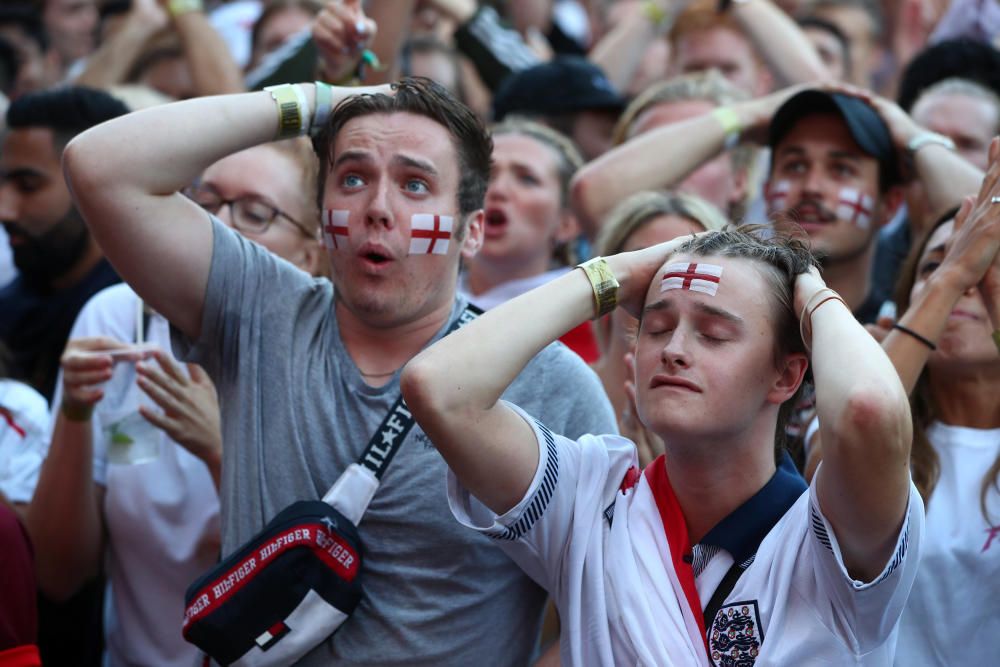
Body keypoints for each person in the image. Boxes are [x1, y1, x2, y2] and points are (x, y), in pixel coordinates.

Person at [63, 76, 616, 665]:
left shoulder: (549, 383)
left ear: (470, 229)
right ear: (323, 211)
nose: (378, 209)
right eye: (352, 178)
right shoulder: (257, 308)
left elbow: (610, 607)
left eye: (414, 185)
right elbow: (97, 165)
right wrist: (319, 101)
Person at [402, 224, 922, 664]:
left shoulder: (831, 536)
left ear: (786, 376)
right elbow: (438, 389)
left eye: (713, 335)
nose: (673, 350)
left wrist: (811, 291)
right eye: (655, 328)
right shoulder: (588, 496)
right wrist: (614, 274)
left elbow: (868, 409)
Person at [26, 137, 325, 667]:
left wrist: (220, 453)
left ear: (313, 252)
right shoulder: (121, 320)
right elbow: (59, 574)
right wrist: (75, 414)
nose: (217, 228)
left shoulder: (328, 356)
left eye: (255, 213)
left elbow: (305, 597)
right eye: (203, 203)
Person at [806, 143, 1000, 662]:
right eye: (932, 267)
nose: (964, 285)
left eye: (991, 270)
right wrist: (954, 273)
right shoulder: (848, 406)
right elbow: (844, 438)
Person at [0, 86, 128, 402]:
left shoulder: (136, 317)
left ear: (94, 184)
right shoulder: (10, 309)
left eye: (28, 185)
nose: (4, 209)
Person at [590, 190, 727, 465]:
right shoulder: (560, 384)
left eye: (688, 269)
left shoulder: (734, 421)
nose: (663, 287)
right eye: (643, 266)